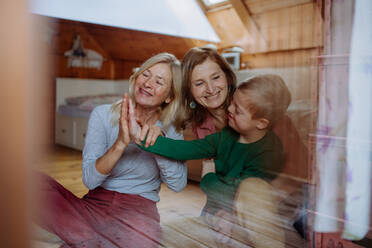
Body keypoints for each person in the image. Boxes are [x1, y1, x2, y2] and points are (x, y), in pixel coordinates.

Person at [35, 53, 187, 248]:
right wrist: (121, 143)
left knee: (141, 239)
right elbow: (90, 180)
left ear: (169, 96)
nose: (148, 83)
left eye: (159, 81)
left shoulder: (171, 129)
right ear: (136, 77)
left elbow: (178, 184)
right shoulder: (102, 114)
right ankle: (97, 239)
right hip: (94, 204)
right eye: (145, 74)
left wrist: (158, 144)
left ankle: (85, 238)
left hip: (139, 210)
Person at [130, 74, 292, 247]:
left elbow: (236, 192)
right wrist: (142, 137)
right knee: (162, 238)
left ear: (261, 123)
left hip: (245, 226)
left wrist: (208, 178)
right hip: (214, 219)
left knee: (252, 187)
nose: (229, 109)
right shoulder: (225, 137)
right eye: (232, 102)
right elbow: (185, 149)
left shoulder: (270, 152)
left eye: (237, 110)